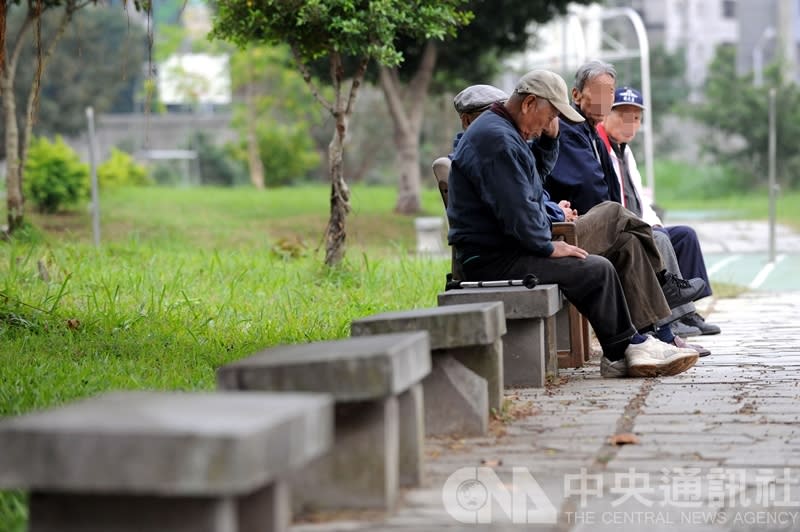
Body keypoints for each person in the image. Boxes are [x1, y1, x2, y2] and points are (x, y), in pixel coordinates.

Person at [446, 70, 698, 378]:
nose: (550, 124)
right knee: (596, 265)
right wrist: (547, 247)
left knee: (624, 245)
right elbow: (517, 211)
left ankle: (638, 341)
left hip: (508, 246)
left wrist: (549, 142)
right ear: (528, 104)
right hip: (492, 259)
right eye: (550, 114)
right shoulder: (497, 139)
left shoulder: (505, 132)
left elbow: (529, 189)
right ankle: (624, 350)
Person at [545, 60, 711, 355]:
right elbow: (591, 189)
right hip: (568, 231)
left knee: (634, 240)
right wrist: (561, 212)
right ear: (576, 94)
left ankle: (659, 336)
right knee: (621, 220)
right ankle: (663, 299)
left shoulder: (591, 132)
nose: (604, 98)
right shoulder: (568, 130)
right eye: (597, 90)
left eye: (609, 91)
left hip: (579, 224)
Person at [598, 86, 721, 337]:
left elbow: (641, 200)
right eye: (623, 114)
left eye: (636, 117)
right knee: (661, 240)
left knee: (684, 236)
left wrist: (654, 223)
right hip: (622, 231)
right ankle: (675, 319)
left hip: (640, 225)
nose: (630, 122)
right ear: (606, 115)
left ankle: (688, 314)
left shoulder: (625, 151)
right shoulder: (601, 148)